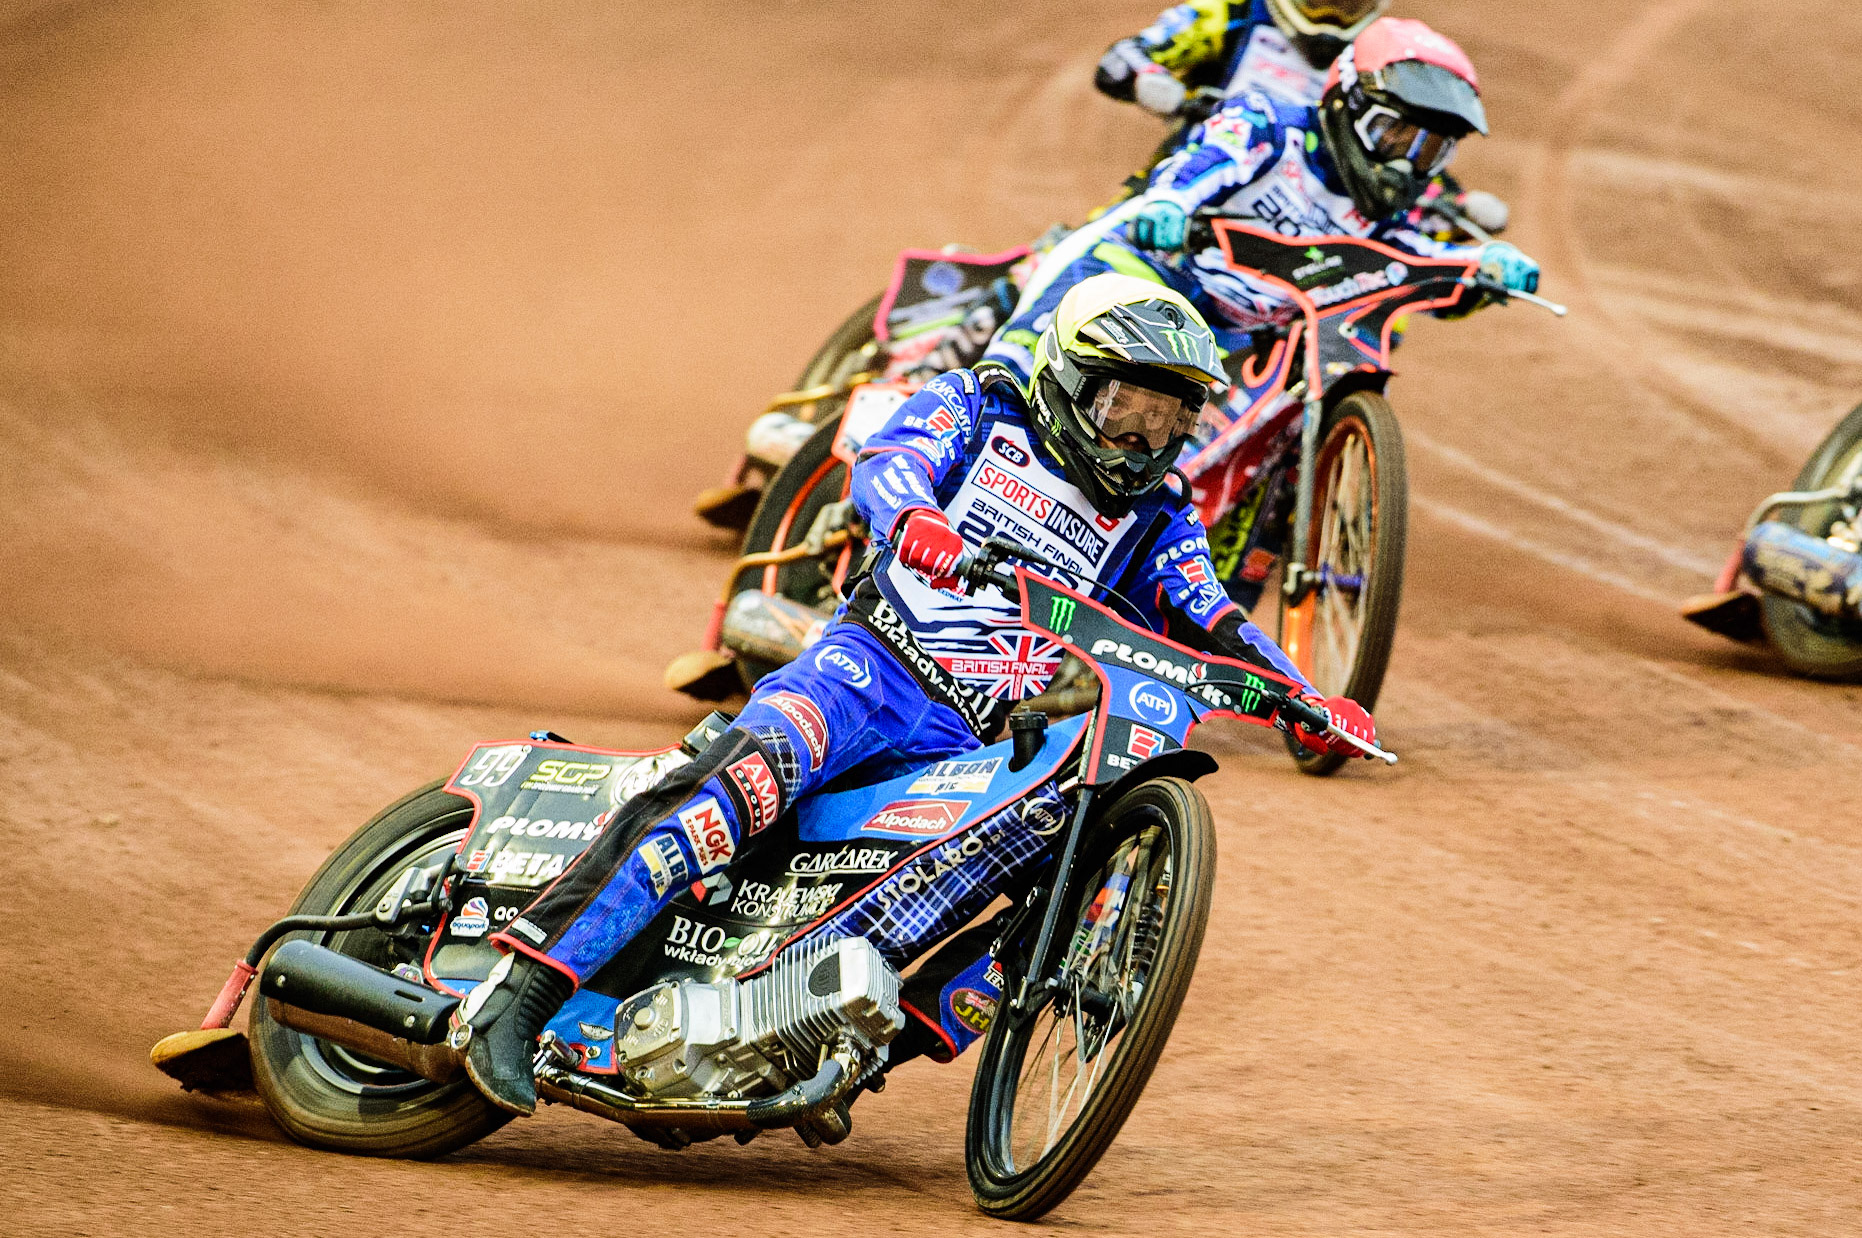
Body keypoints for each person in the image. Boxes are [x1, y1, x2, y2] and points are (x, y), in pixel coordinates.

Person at [451, 275, 1377, 1115]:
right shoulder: (981, 403)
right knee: (741, 785)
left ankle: (854, 1054)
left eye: (1171, 422)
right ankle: (521, 996)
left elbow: (1211, 615)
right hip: (865, 672)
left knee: (1041, 857)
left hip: (969, 740)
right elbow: (886, 462)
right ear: (1068, 377)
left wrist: (1304, 697)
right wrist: (919, 524)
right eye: (1126, 409)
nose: (1146, 441)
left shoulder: (1160, 515)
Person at [988, 18, 1541, 385]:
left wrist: (1480, 269)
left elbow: (1410, 262)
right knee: (1091, 280)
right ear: (1349, 104)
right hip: (1171, 280)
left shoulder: (1391, 214)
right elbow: (1209, 160)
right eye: (1396, 135)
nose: (1405, 163)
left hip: (1254, 338)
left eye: (1431, 150)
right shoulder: (1270, 125)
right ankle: (978, 399)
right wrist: (1173, 204)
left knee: (1327, 367)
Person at [1092, 0, 1508, 236]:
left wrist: (1455, 205)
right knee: (1077, 256)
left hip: (1317, 218)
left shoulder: (1383, 58)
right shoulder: (1231, 14)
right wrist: (1150, 80)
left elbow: (1404, 145)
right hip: (1194, 182)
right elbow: (1121, 60)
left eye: (1349, 2)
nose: (1333, 13)